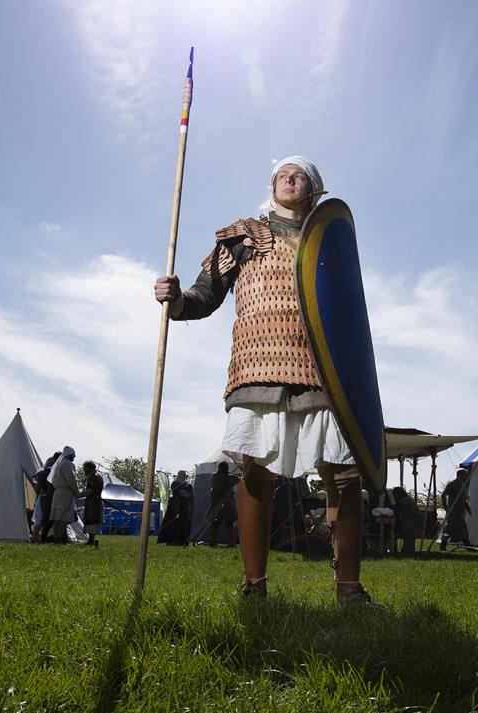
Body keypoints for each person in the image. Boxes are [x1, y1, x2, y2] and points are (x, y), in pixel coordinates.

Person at [154, 156, 373, 603]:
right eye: (282, 175)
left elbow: (348, 313)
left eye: (300, 176)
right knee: (256, 472)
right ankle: (255, 586)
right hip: (259, 363)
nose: (289, 179)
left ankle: (349, 588)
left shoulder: (329, 244)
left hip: (322, 370)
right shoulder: (243, 237)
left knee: (346, 476)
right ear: (272, 186)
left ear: (315, 189)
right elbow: (203, 296)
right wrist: (175, 300)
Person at [48, 446, 80, 543]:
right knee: (64, 518)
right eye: (73, 455)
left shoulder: (59, 465)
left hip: (58, 493)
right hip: (65, 493)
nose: (74, 457)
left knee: (58, 518)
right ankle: (59, 538)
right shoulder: (68, 464)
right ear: (70, 455)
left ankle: (57, 537)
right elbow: (71, 480)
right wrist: (76, 492)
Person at [157, 470, 194, 545]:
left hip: (185, 506)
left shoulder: (188, 485)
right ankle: (172, 540)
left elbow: (190, 495)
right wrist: (185, 494)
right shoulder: (175, 483)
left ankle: (183, 540)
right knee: (174, 522)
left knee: (184, 523)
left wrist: (186, 495)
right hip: (176, 505)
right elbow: (178, 493)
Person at [207, 462, 239, 547]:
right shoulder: (230, 477)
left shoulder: (214, 476)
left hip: (216, 503)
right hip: (226, 503)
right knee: (229, 524)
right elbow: (239, 479)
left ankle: (213, 542)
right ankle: (232, 543)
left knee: (215, 524)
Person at [32, 451, 61, 543]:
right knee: (41, 518)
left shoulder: (45, 471)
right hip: (45, 496)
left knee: (44, 518)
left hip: (46, 496)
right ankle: (35, 538)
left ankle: (39, 537)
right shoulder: (47, 471)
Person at [441, 468, 472, 549]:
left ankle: (443, 546)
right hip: (453, 510)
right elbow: (443, 495)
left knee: (450, 529)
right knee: (461, 528)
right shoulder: (452, 484)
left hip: (460, 510)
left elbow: (463, 499)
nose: (466, 477)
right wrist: (446, 507)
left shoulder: (462, 485)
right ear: (460, 475)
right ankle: (468, 546)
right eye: (465, 475)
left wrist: (468, 508)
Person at [79, 460, 104, 549]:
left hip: (94, 503)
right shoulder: (95, 477)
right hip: (93, 502)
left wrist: (77, 494)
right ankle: (90, 539)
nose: (84, 470)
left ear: (90, 468)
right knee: (90, 521)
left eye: (85, 468)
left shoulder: (94, 478)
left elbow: (90, 491)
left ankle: (91, 539)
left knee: (92, 521)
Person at [391, 487, 423, 555]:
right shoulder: (408, 500)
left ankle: (408, 551)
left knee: (407, 537)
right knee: (409, 539)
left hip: (411, 523)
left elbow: (401, 515)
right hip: (416, 522)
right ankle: (408, 551)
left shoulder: (403, 502)